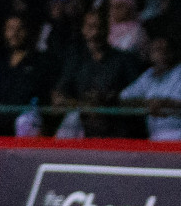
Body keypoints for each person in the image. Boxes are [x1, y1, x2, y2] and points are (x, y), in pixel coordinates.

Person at [52, 9, 141, 139]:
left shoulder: (123, 59)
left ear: (107, 29)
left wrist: (108, 100)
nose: (95, 33)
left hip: (115, 124)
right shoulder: (76, 60)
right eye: (90, 27)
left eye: (100, 27)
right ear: (83, 29)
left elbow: (138, 96)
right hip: (82, 122)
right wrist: (81, 104)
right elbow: (59, 94)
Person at [121, 36, 181, 141]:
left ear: (173, 52)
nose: (162, 54)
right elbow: (124, 98)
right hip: (156, 134)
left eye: (166, 50)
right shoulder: (148, 75)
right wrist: (147, 103)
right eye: (157, 50)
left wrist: (161, 103)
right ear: (150, 54)